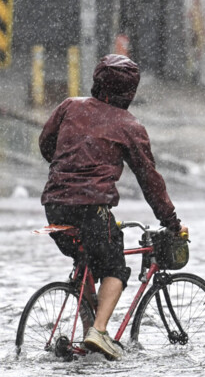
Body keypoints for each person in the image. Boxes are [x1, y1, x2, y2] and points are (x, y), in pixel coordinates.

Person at [38, 54, 187, 361]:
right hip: (91, 209)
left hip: (53, 205)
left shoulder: (70, 106)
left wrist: (69, 167)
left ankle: (86, 337)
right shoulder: (129, 126)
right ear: (130, 92)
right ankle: (99, 331)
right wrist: (170, 221)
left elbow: (46, 144)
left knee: (88, 258)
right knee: (116, 267)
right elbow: (150, 181)